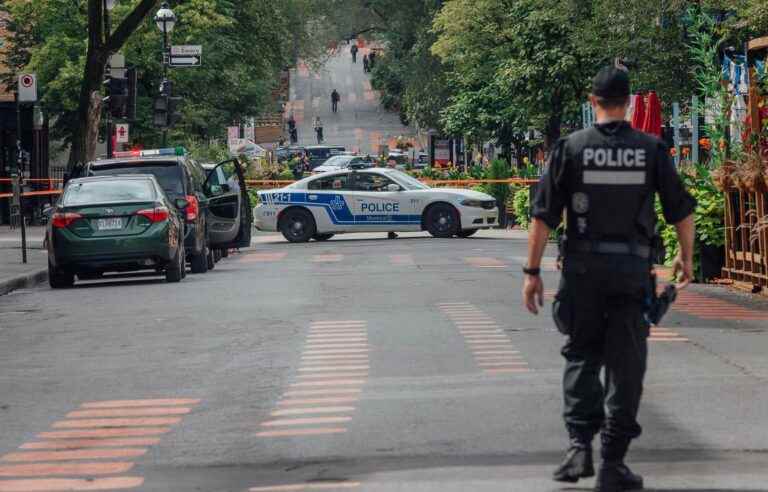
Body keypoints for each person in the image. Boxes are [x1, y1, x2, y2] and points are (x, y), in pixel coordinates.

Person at [522, 66, 696, 492]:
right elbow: (681, 212)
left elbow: (542, 217)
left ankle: (579, 446)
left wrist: (531, 273)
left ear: (592, 100)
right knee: (627, 365)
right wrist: (686, 260)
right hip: (632, 275)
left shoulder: (570, 148)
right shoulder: (651, 150)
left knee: (582, 353)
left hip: (582, 274)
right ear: (629, 102)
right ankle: (613, 462)